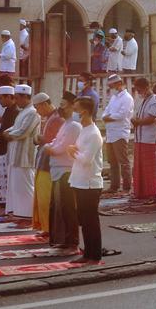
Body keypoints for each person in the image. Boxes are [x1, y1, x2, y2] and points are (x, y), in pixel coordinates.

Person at [68, 96, 109, 262]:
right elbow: (78, 154)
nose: (74, 113)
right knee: (84, 221)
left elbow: (86, 159)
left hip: (90, 183)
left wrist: (73, 152)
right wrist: (74, 152)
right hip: (79, 180)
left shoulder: (93, 133)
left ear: (84, 112)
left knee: (91, 221)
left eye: (76, 110)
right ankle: (88, 253)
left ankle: (95, 254)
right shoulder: (83, 130)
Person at [45, 93, 82, 251]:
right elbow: (55, 141)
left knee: (68, 209)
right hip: (58, 171)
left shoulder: (74, 125)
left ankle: (71, 241)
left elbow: (61, 148)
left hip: (66, 171)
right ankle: (64, 239)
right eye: (60, 104)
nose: (60, 108)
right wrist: (50, 147)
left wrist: (48, 148)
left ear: (73, 105)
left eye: (64, 104)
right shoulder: (65, 124)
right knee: (59, 208)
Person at [3, 85, 41, 218]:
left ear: (25, 97)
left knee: (26, 187)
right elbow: (14, 128)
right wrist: (6, 132)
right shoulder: (23, 111)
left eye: (18, 98)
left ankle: (30, 214)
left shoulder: (33, 112)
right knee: (17, 187)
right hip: (16, 155)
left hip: (25, 156)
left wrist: (8, 135)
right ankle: (19, 213)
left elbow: (23, 132)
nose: (16, 101)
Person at [30, 93, 59, 231]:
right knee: (41, 198)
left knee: (46, 199)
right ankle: (46, 228)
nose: (37, 111)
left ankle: (49, 229)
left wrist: (38, 139)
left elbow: (52, 141)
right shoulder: (50, 118)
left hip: (49, 164)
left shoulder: (56, 119)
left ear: (44, 104)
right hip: (43, 161)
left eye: (37, 107)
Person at [102, 73, 134, 194]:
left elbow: (122, 115)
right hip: (111, 133)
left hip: (120, 133)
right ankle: (114, 186)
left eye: (112, 85)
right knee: (112, 161)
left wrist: (108, 118)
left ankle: (126, 186)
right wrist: (107, 117)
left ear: (119, 84)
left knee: (123, 161)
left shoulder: (127, 98)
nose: (111, 88)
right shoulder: (114, 97)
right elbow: (106, 112)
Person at [131, 77, 156, 201]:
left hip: (149, 139)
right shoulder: (142, 100)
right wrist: (135, 120)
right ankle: (140, 191)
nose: (139, 92)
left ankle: (151, 192)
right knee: (139, 167)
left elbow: (151, 118)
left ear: (146, 87)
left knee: (149, 168)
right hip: (139, 138)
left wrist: (139, 122)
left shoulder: (154, 100)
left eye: (140, 90)